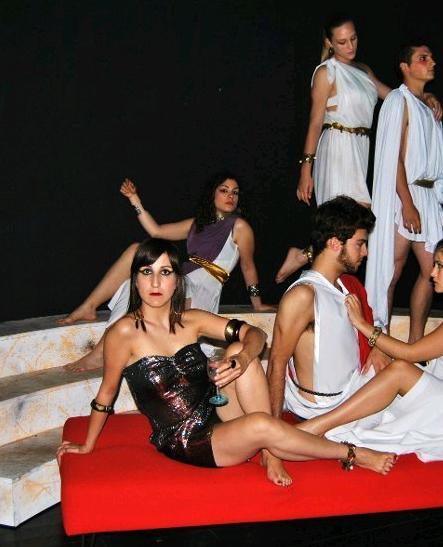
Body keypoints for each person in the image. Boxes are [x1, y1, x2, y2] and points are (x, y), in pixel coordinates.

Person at [56, 238, 396, 487]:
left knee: (236, 351)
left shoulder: (191, 320)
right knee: (260, 424)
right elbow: (107, 394)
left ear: (177, 280)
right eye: (147, 272)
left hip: (216, 408)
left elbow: (255, 335)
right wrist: (87, 445)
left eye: (165, 272)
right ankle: (350, 454)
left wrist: (244, 357)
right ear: (135, 279)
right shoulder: (123, 333)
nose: (156, 283)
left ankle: (270, 452)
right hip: (188, 438)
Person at [298, 235, 443, 466]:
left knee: (399, 370)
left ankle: (316, 427)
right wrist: (380, 350)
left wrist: (362, 325)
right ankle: (324, 426)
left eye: (440, 265)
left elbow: (411, 353)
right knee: (383, 372)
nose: (432, 273)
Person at [275, 16, 443, 284]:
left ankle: (304, 256)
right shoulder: (326, 72)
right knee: (346, 222)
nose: (350, 46)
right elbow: (315, 122)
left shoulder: (363, 71)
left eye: (353, 38)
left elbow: (395, 97)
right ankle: (321, 280)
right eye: (342, 42)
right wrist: (306, 169)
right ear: (329, 43)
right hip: (336, 146)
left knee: (351, 227)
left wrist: (425, 96)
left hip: (360, 147)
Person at [60, 171, 274, 372]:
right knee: (137, 256)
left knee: (149, 281)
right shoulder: (197, 224)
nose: (230, 196)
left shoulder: (239, 226)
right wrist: (134, 199)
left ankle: (102, 351)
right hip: (183, 279)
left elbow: (248, 266)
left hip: (203, 288)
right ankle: (90, 308)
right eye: (224, 190)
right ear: (212, 193)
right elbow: (157, 231)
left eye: (235, 192)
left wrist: (256, 303)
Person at [267, 196, 393, 427]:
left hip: (356, 393)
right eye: (359, 244)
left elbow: (372, 325)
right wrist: (274, 432)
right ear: (335, 243)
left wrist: (376, 347)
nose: (365, 252)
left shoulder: (348, 285)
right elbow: (277, 362)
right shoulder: (304, 295)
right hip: (322, 411)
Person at [365, 42, 443, 343]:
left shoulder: (427, 106)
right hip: (403, 194)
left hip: (425, 196)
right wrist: (408, 204)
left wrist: (436, 204)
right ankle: (382, 341)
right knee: (390, 271)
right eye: (423, 58)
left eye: (431, 57)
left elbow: (432, 159)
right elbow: (395, 159)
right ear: (405, 67)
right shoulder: (398, 101)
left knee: (433, 272)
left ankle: (415, 344)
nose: (432, 62)